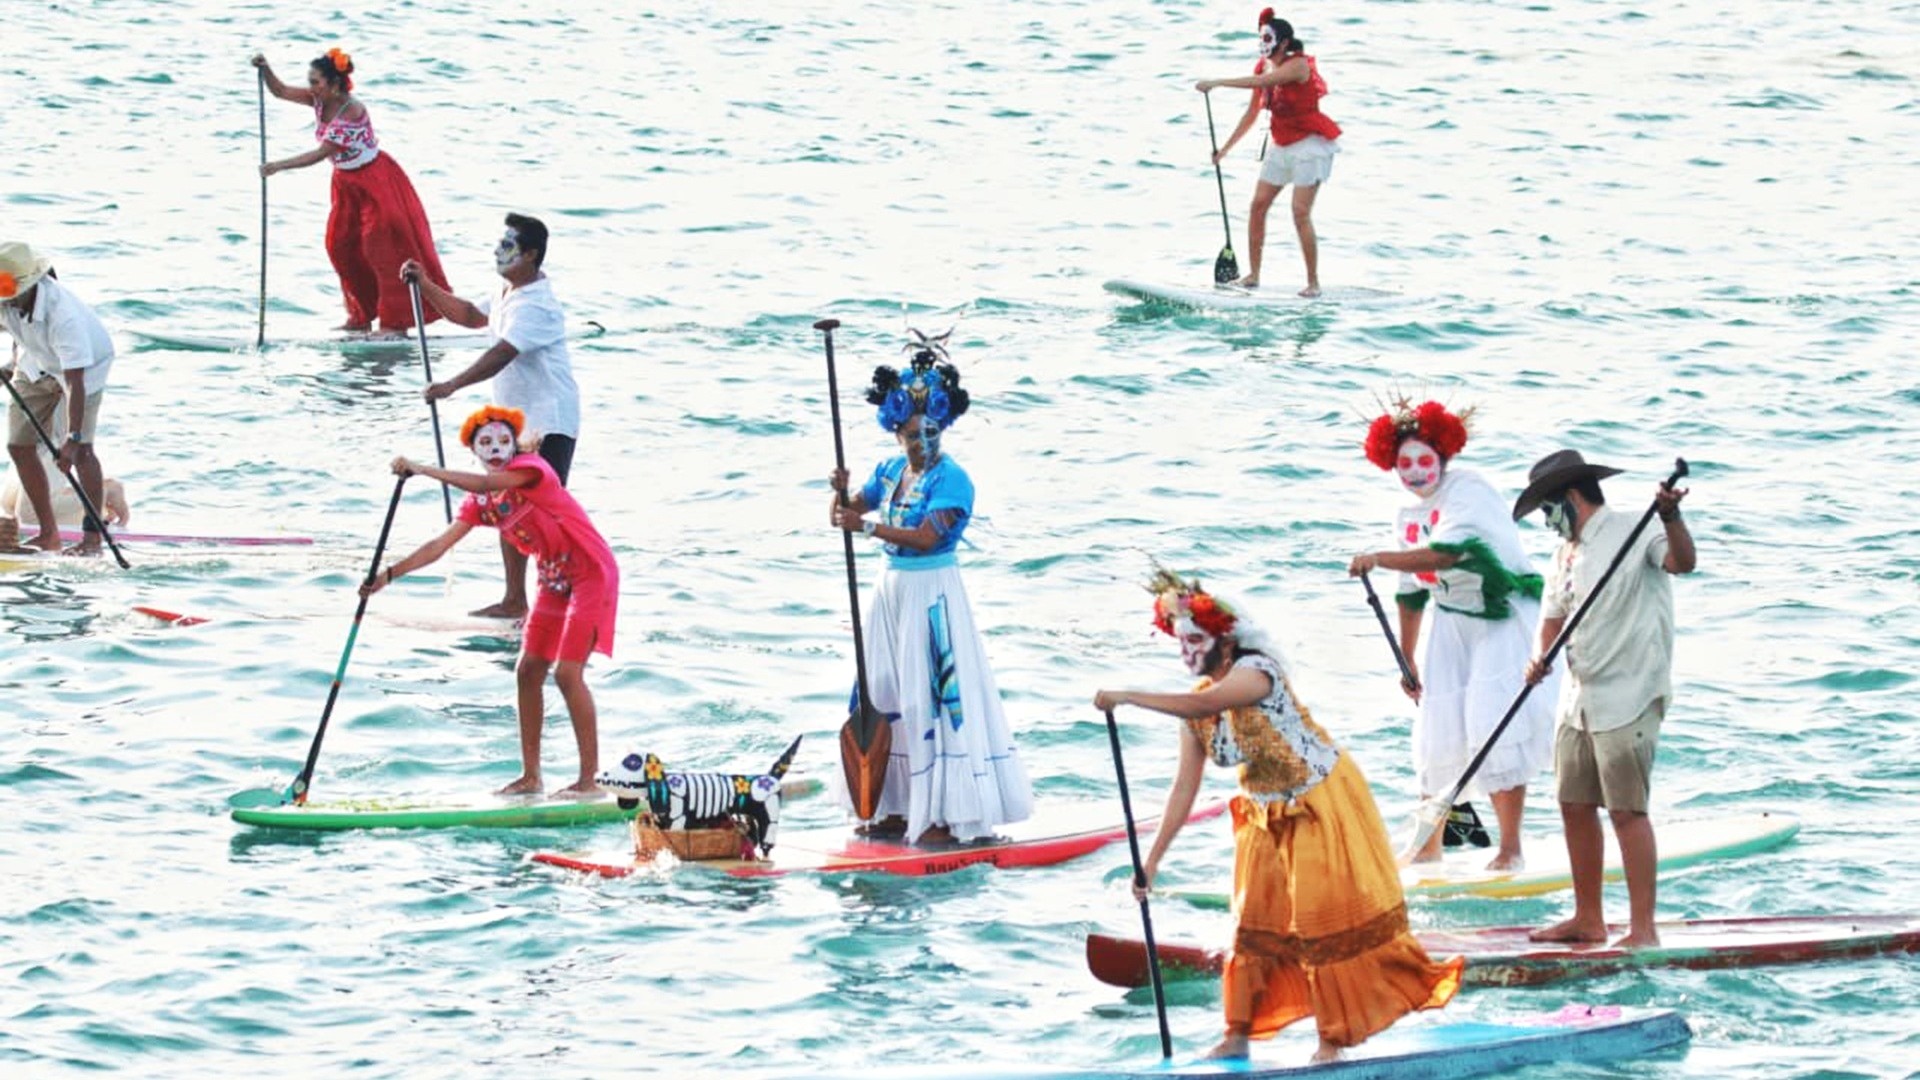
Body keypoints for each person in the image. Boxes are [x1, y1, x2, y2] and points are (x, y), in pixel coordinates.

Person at [1094, 569, 1461, 1064]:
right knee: (1251, 925)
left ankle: (1331, 1043)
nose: (1187, 655)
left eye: (1195, 641)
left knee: (1319, 924)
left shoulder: (1255, 672)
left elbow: (1201, 701)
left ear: (1225, 642)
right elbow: (1184, 788)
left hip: (1319, 802)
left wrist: (1128, 695)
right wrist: (1152, 862)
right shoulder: (1198, 707)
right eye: (1180, 645)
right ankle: (1236, 1034)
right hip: (1263, 813)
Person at [826, 333, 1032, 845]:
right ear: (897, 435)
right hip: (889, 595)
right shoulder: (890, 469)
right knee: (884, 689)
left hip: (932, 595)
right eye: (914, 435)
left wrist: (866, 528)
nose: (923, 444)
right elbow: (844, 515)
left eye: (931, 434)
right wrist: (839, 493)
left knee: (930, 697)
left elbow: (925, 538)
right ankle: (892, 803)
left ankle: (941, 807)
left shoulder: (954, 480)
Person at [361, 405, 617, 796]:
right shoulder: (484, 506)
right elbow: (438, 546)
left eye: (502, 441)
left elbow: (482, 484)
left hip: (590, 573)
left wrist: (424, 469)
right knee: (528, 671)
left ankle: (589, 781)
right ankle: (531, 777)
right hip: (553, 578)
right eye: (486, 443)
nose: (495, 448)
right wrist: (386, 576)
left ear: (515, 445)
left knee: (567, 673)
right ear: (475, 452)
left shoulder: (534, 470)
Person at [1346, 399, 1556, 870]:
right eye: (1404, 464)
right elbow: (1411, 592)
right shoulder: (1407, 513)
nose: (1416, 473)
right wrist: (1407, 658)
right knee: (1435, 732)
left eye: (1425, 461)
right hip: (1451, 620)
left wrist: (1378, 558)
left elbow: (1446, 556)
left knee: (1492, 723)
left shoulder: (1469, 490)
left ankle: (1510, 849)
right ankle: (1427, 847)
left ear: (1443, 459)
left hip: (1500, 616)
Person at [1513, 450, 1695, 948]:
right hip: (1579, 697)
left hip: (1629, 692)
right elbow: (1552, 618)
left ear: (1571, 500)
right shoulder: (1564, 555)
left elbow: (1683, 562)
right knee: (1573, 803)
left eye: (1549, 510)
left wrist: (1672, 516)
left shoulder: (1638, 529)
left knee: (1626, 812)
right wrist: (1539, 656)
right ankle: (1588, 919)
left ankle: (1643, 930)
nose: (1548, 524)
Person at [403, 213, 580, 619]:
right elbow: (467, 314)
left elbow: (502, 354)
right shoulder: (508, 290)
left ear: (531, 255)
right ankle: (515, 600)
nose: (498, 252)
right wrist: (426, 284)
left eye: (508, 246)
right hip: (517, 424)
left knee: (540, 511)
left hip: (549, 421)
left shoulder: (538, 306)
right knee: (508, 505)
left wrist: (450, 385)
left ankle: (553, 600)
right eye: (500, 244)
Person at [253, 47, 450, 334]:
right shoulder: (319, 99)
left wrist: (276, 166)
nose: (312, 88)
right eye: (310, 82)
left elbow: (320, 154)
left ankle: (395, 324)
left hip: (375, 182)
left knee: (379, 250)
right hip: (345, 184)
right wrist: (265, 68)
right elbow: (280, 91)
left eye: (317, 82)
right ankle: (360, 316)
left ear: (335, 85)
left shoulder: (353, 111)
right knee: (340, 247)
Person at [1195, 9, 1342, 297]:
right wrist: (1224, 150)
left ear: (1284, 42)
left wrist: (1217, 82)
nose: (1262, 43)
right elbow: (1252, 114)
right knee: (1257, 206)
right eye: (1260, 37)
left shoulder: (1299, 65)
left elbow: (1262, 84)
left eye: (1268, 37)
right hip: (1281, 145)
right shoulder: (1262, 66)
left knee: (1300, 213)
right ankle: (1253, 275)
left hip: (1310, 147)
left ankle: (1313, 282)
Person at [0, 241, 116, 555]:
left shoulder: (63, 317)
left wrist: (72, 437)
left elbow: (74, 382)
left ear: (27, 285)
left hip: (84, 369)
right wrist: (10, 364)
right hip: (36, 363)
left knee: (80, 453)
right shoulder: (6, 297)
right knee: (18, 446)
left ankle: (92, 539)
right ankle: (48, 534)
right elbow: (9, 327)